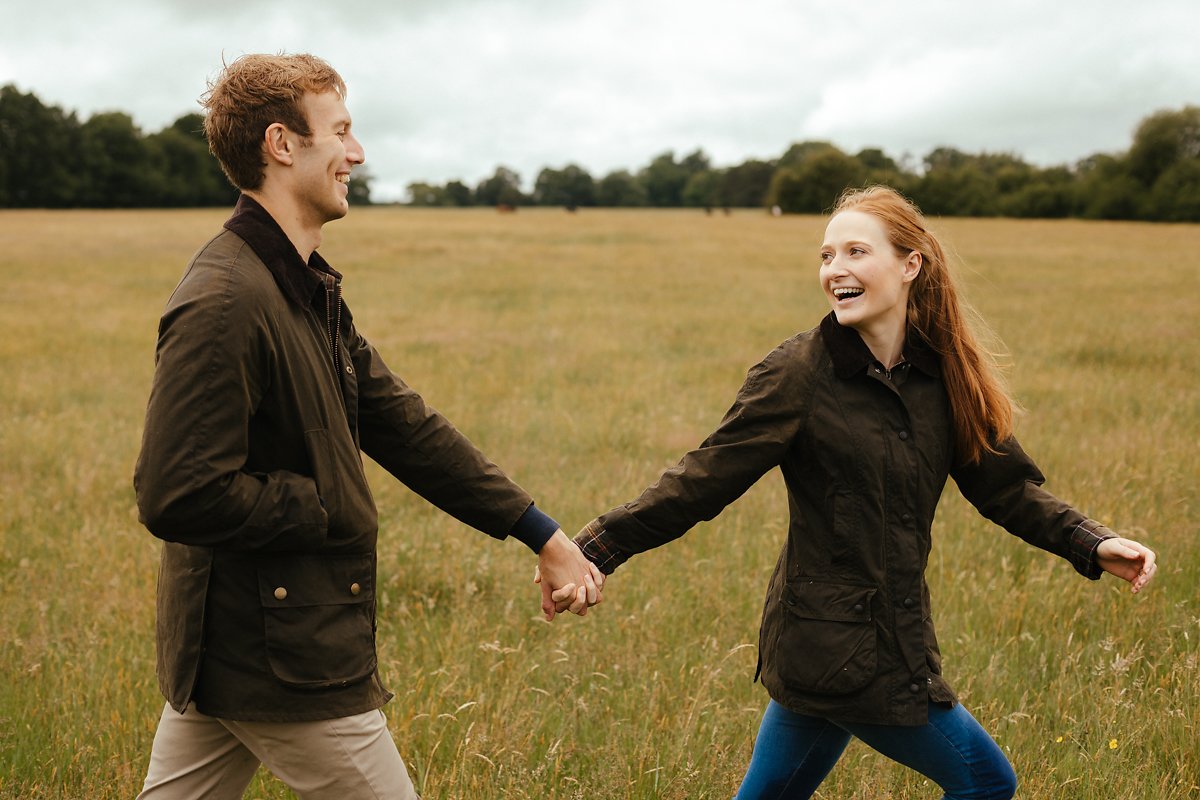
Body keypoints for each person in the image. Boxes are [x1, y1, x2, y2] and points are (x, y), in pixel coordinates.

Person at [568, 185, 1157, 799]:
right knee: (985, 781)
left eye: (855, 251)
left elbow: (1005, 488)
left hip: (854, 641)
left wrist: (1094, 543)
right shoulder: (798, 373)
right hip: (842, 650)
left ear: (910, 265)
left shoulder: (944, 374)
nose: (835, 270)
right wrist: (594, 550)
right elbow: (701, 481)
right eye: (827, 256)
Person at [133, 53, 601, 800]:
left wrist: (539, 531)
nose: (356, 153)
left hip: (240, 648)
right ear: (283, 145)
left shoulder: (299, 284)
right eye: (341, 132)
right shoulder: (226, 301)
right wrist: (321, 502)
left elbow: (401, 424)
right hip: (282, 656)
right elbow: (175, 494)